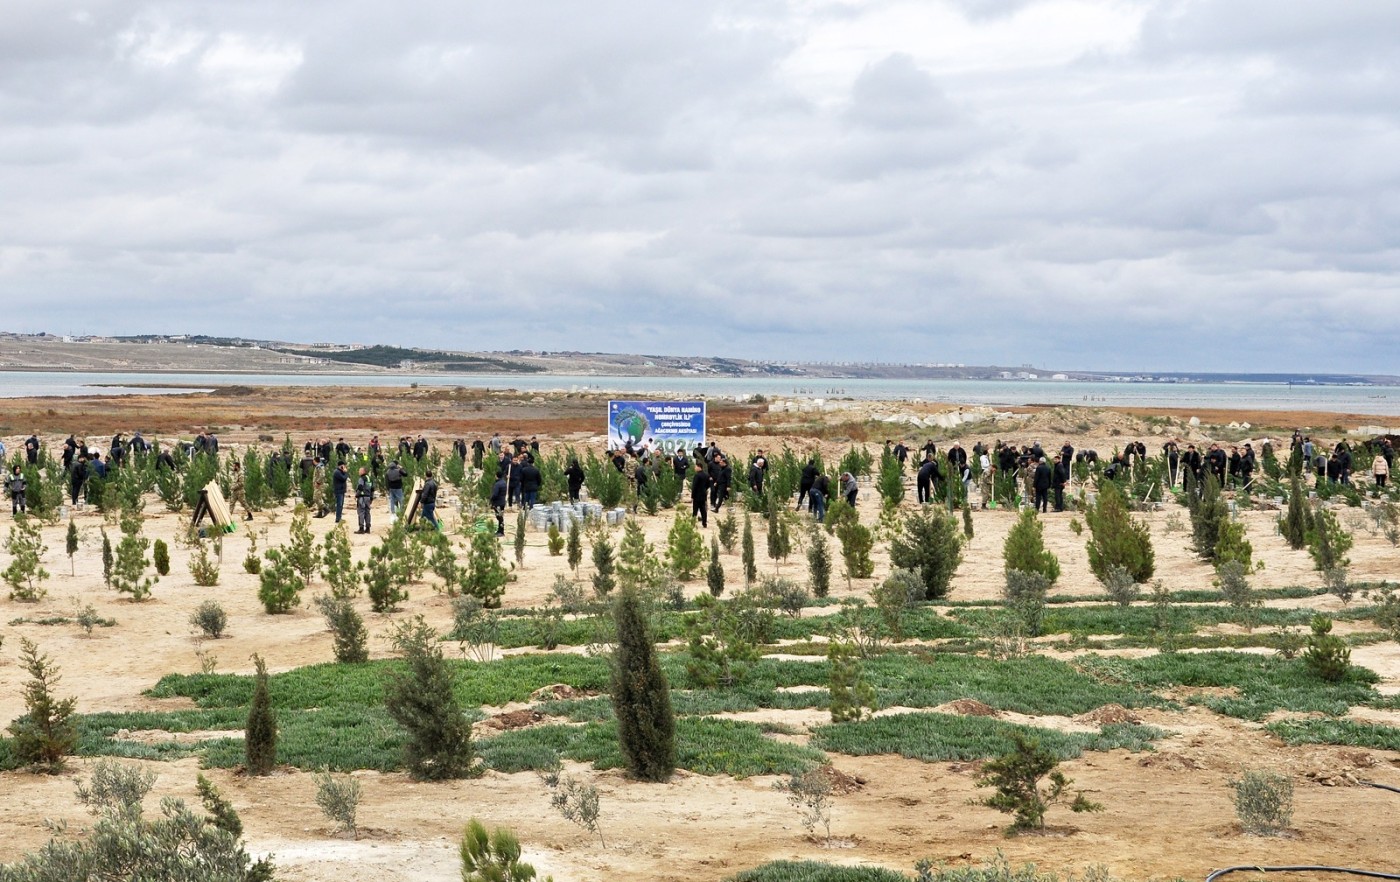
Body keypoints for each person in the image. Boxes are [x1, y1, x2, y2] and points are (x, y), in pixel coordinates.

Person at [690, 460, 712, 528]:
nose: (695, 468)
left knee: (695, 510)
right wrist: (704, 489)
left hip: (697, 495)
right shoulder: (706, 475)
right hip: (703, 494)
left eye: (695, 467)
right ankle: (704, 523)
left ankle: (693, 523)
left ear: (699, 467)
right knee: (703, 510)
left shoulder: (697, 475)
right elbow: (709, 484)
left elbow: (694, 486)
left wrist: (692, 496)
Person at [355, 467, 374, 534]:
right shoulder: (370, 479)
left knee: (361, 512)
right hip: (368, 498)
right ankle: (368, 528)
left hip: (362, 498)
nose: (358, 471)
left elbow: (360, 487)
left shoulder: (361, 479)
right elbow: (372, 489)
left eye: (360, 470)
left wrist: (356, 495)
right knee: (367, 512)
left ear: (363, 471)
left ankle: (361, 528)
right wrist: (371, 497)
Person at [490, 469, 508, 535]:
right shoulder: (504, 483)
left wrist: (491, 499)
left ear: (496, 476)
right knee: (500, 517)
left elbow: (495, 494)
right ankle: (500, 530)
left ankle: (501, 531)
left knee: (499, 518)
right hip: (502, 502)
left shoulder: (497, 484)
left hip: (498, 503)